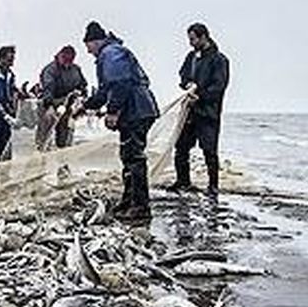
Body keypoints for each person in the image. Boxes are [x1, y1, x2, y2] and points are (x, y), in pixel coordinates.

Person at [76, 22, 160, 221]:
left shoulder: (111, 53)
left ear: (95, 42)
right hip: (136, 109)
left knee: (134, 158)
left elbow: (120, 83)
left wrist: (113, 111)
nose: (89, 52)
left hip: (136, 110)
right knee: (128, 156)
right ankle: (128, 201)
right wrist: (86, 106)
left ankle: (140, 207)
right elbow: (105, 91)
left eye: (88, 47)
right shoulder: (110, 54)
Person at [169, 23, 231, 196]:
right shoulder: (191, 57)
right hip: (189, 111)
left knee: (209, 150)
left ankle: (213, 186)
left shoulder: (220, 60)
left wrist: (201, 96)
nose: (190, 43)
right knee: (181, 147)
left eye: (193, 39)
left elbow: (219, 86)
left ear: (204, 37)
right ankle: (183, 182)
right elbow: (182, 75)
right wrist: (187, 84)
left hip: (208, 113)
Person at [36, 46, 88, 151]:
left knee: (65, 133)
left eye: (71, 59)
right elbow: (48, 88)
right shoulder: (50, 70)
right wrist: (49, 106)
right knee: (46, 132)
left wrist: (82, 94)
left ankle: (62, 157)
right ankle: (41, 153)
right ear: (60, 56)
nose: (68, 61)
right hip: (50, 103)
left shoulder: (76, 69)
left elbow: (83, 84)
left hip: (67, 104)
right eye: (65, 58)